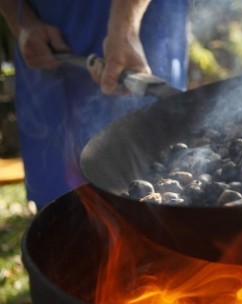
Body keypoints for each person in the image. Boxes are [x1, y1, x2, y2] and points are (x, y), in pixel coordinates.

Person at [0, 0, 189, 210]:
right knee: (61, 205)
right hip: (45, 34)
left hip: (141, 22)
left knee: (157, 177)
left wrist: (125, 27)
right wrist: (23, 23)